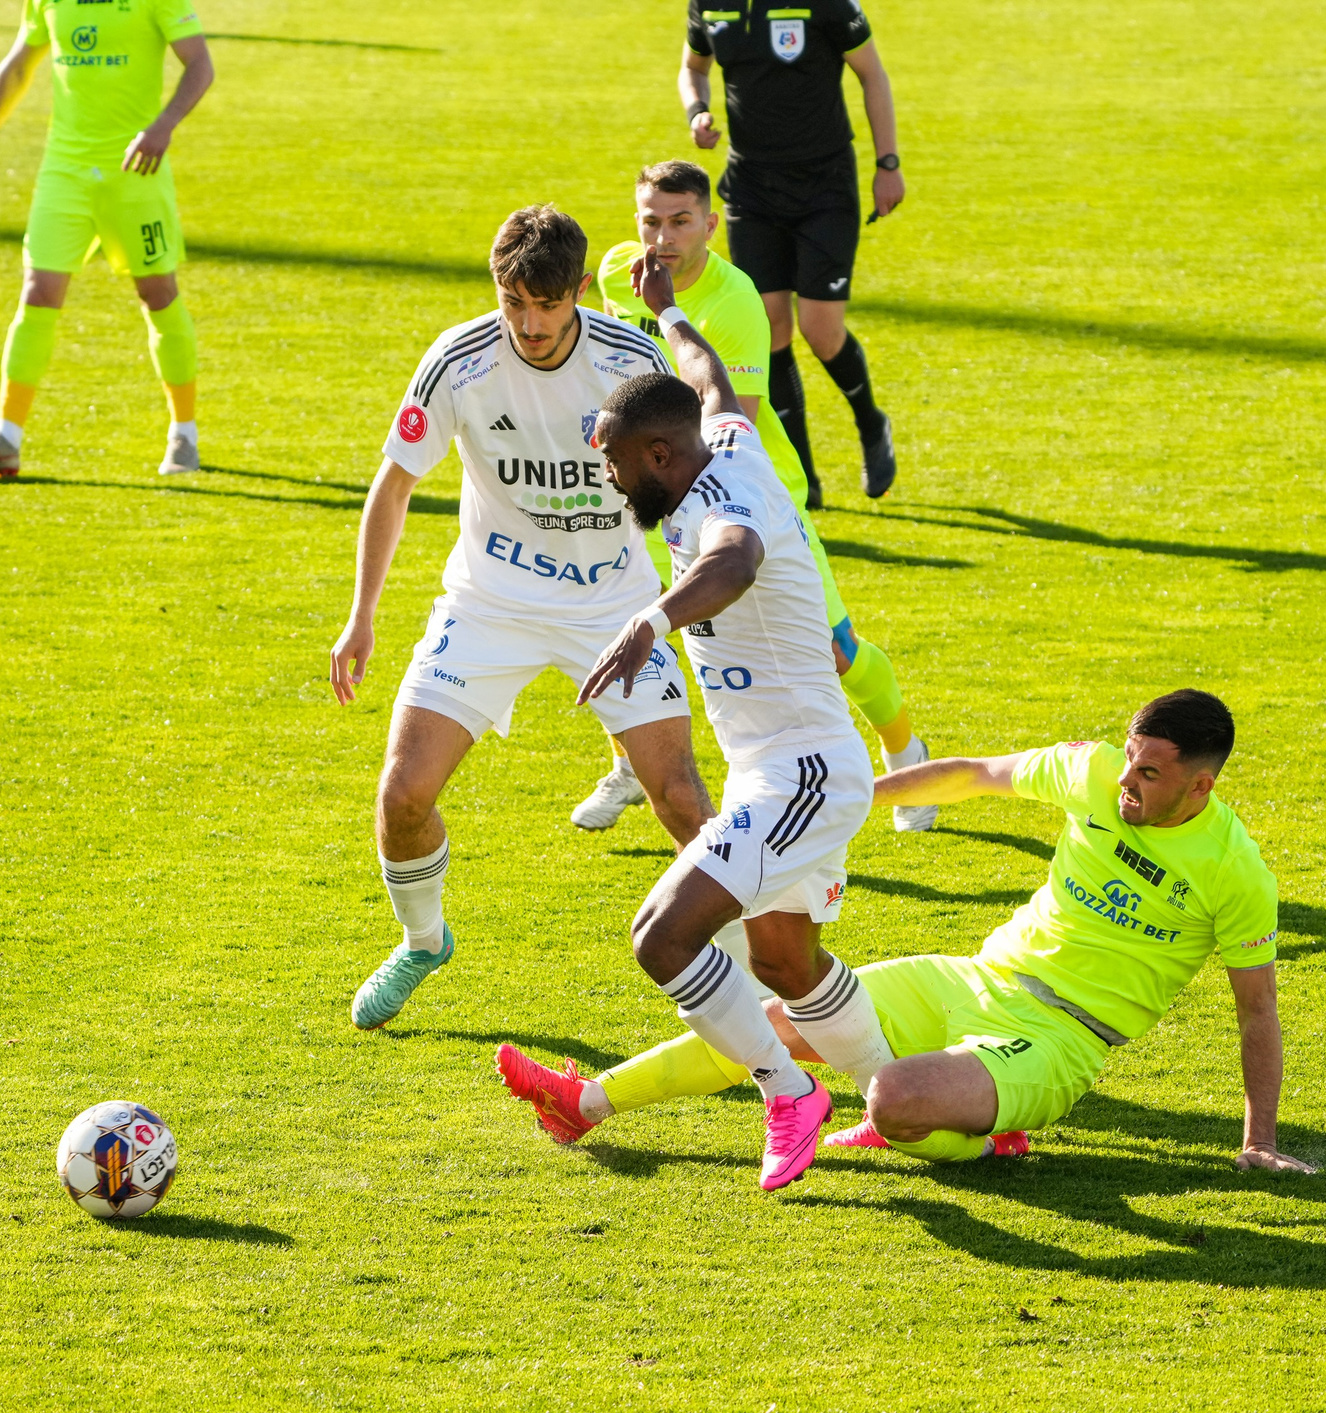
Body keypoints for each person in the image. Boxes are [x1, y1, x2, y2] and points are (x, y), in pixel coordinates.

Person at [499, 689, 1316, 1180]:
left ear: (1201, 784)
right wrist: (851, 803)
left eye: (1150, 774)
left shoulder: (1236, 872)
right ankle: (585, 1103)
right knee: (779, 1027)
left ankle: (990, 1141)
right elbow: (970, 774)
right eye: (1129, 761)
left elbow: (1257, 1012)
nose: (1127, 783)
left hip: (1059, 1038)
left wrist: (1259, 1141)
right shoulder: (1093, 770)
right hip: (969, 977)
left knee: (891, 1101)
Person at [504, 247, 898, 1192]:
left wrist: (654, 617)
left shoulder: (724, 504)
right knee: (786, 958)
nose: (605, 478)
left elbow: (737, 561)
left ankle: (788, 1091)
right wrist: (671, 309)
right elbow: (710, 375)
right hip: (790, 766)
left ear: (658, 457)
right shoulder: (719, 437)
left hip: (804, 774)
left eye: (610, 461)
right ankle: (906, 1099)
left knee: (662, 936)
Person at [330, 207, 715, 1031]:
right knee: (402, 793)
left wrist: (699, 599)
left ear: (580, 290)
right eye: (512, 303)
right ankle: (424, 940)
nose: (530, 324)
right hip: (489, 602)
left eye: (546, 304)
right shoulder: (458, 362)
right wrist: (361, 616)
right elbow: (393, 484)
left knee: (682, 800)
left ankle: (755, 980)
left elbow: (687, 483)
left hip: (612, 604)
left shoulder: (631, 360)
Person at [571, 160, 938, 837]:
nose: (664, 236)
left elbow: (725, 420)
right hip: (653, 486)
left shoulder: (733, 300)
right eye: (652, 220)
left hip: (742, 490)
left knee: (835, 648)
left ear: (711, 223)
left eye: (681, 221)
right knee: (625, 627)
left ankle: (906, 757)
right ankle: (628, 764)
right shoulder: (622, 272)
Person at [0, 0, 214, 478]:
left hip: (135, 173)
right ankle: (6, 436)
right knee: (38, 292)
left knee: (157, 293)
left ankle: (183, 434)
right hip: (64, 173)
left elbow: (200, 64)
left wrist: (163, 126)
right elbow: (19, 64)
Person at [681, 0, 903, 504]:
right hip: (751, 189)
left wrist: (887, 162)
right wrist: (698, 111)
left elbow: (872, 74)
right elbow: (693, 67)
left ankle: (871, 423)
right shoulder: (709, 4)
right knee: (770, 327)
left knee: (821, 331)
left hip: (824, 185)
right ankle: (805, 479)